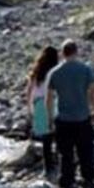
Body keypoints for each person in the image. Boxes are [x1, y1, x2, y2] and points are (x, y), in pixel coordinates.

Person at [46, 40, 94, 188]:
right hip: (83, 117)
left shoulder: (55, 72)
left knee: (65, 152)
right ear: (76, 52)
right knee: (86, 151)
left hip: (63, 119)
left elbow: (49, 98)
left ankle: (67, 183)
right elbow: (93, 92)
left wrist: (49, 119)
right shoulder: (85, 69)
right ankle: (88, 180)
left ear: (62, 53)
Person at [26, 45, 59, 179]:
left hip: (39, 103)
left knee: (46, 138)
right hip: (55, 102)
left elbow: (29, 90)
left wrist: (29, 107)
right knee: (59, 135)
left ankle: (48, 167)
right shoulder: (56, 71)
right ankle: (59, 164)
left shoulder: (37, 71)